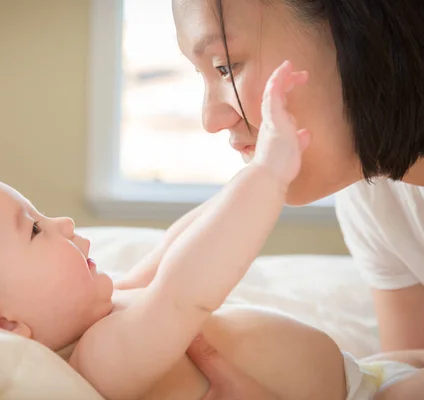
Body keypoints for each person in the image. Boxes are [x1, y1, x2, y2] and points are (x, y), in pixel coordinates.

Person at [0, 62, 424, 399]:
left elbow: (174, 248)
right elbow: (187, 287)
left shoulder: (109, 307)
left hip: (365, 370)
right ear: (0, 320)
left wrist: (249, 174)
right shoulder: (99, 359)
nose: (64, 223)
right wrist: (270, 178)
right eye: (33, 230)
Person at [118, 0, 424, 394]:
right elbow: (406, 371)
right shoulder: (377, 195)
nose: (210, 120)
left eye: (225, 67)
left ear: (364, 26)